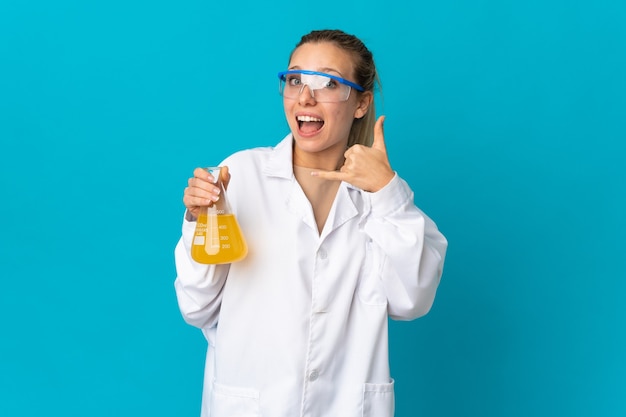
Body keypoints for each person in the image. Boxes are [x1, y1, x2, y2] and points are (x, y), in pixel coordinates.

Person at [174, 29, 448, 417]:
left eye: (327, 82)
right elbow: (196, 307)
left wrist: (386, 193)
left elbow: (412, 300)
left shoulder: (384, 196)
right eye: (295, 79)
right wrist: (197, 220)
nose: (305, 96)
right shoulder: (239, 175)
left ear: (360, 102)